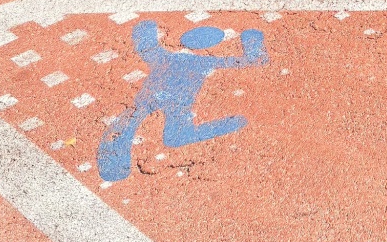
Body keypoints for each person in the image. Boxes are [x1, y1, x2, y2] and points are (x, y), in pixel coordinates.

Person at [97, 23, 267, 184]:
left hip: (155, 100)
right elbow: (247, 61)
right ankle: (226, 125)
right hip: (174, 103)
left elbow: (147, 48)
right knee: (169, 135)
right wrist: (253, 44)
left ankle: (115, 157)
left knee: (136, 124)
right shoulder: (201, 61)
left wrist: (146, 30)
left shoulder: (167, 57)